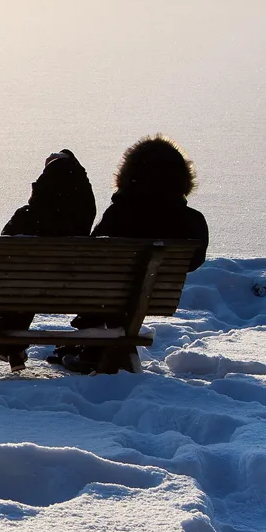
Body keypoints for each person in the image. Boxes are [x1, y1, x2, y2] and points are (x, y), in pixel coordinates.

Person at [59, 135, 209, 372]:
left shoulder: (118, 214)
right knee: (123, 289)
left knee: (108, 285)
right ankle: (98, 346)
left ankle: (93, 345)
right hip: (149, 298)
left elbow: (90, 256)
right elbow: (194, 261)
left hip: (106, 297)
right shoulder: (192, 221)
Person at [0, 149, 95, 371]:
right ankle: (12, 346)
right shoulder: (83, 225)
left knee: (11, 282)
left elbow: (0, 259)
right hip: (71, 293)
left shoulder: (26, 218)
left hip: (25, 289)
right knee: (24, 282)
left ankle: (10, 346)